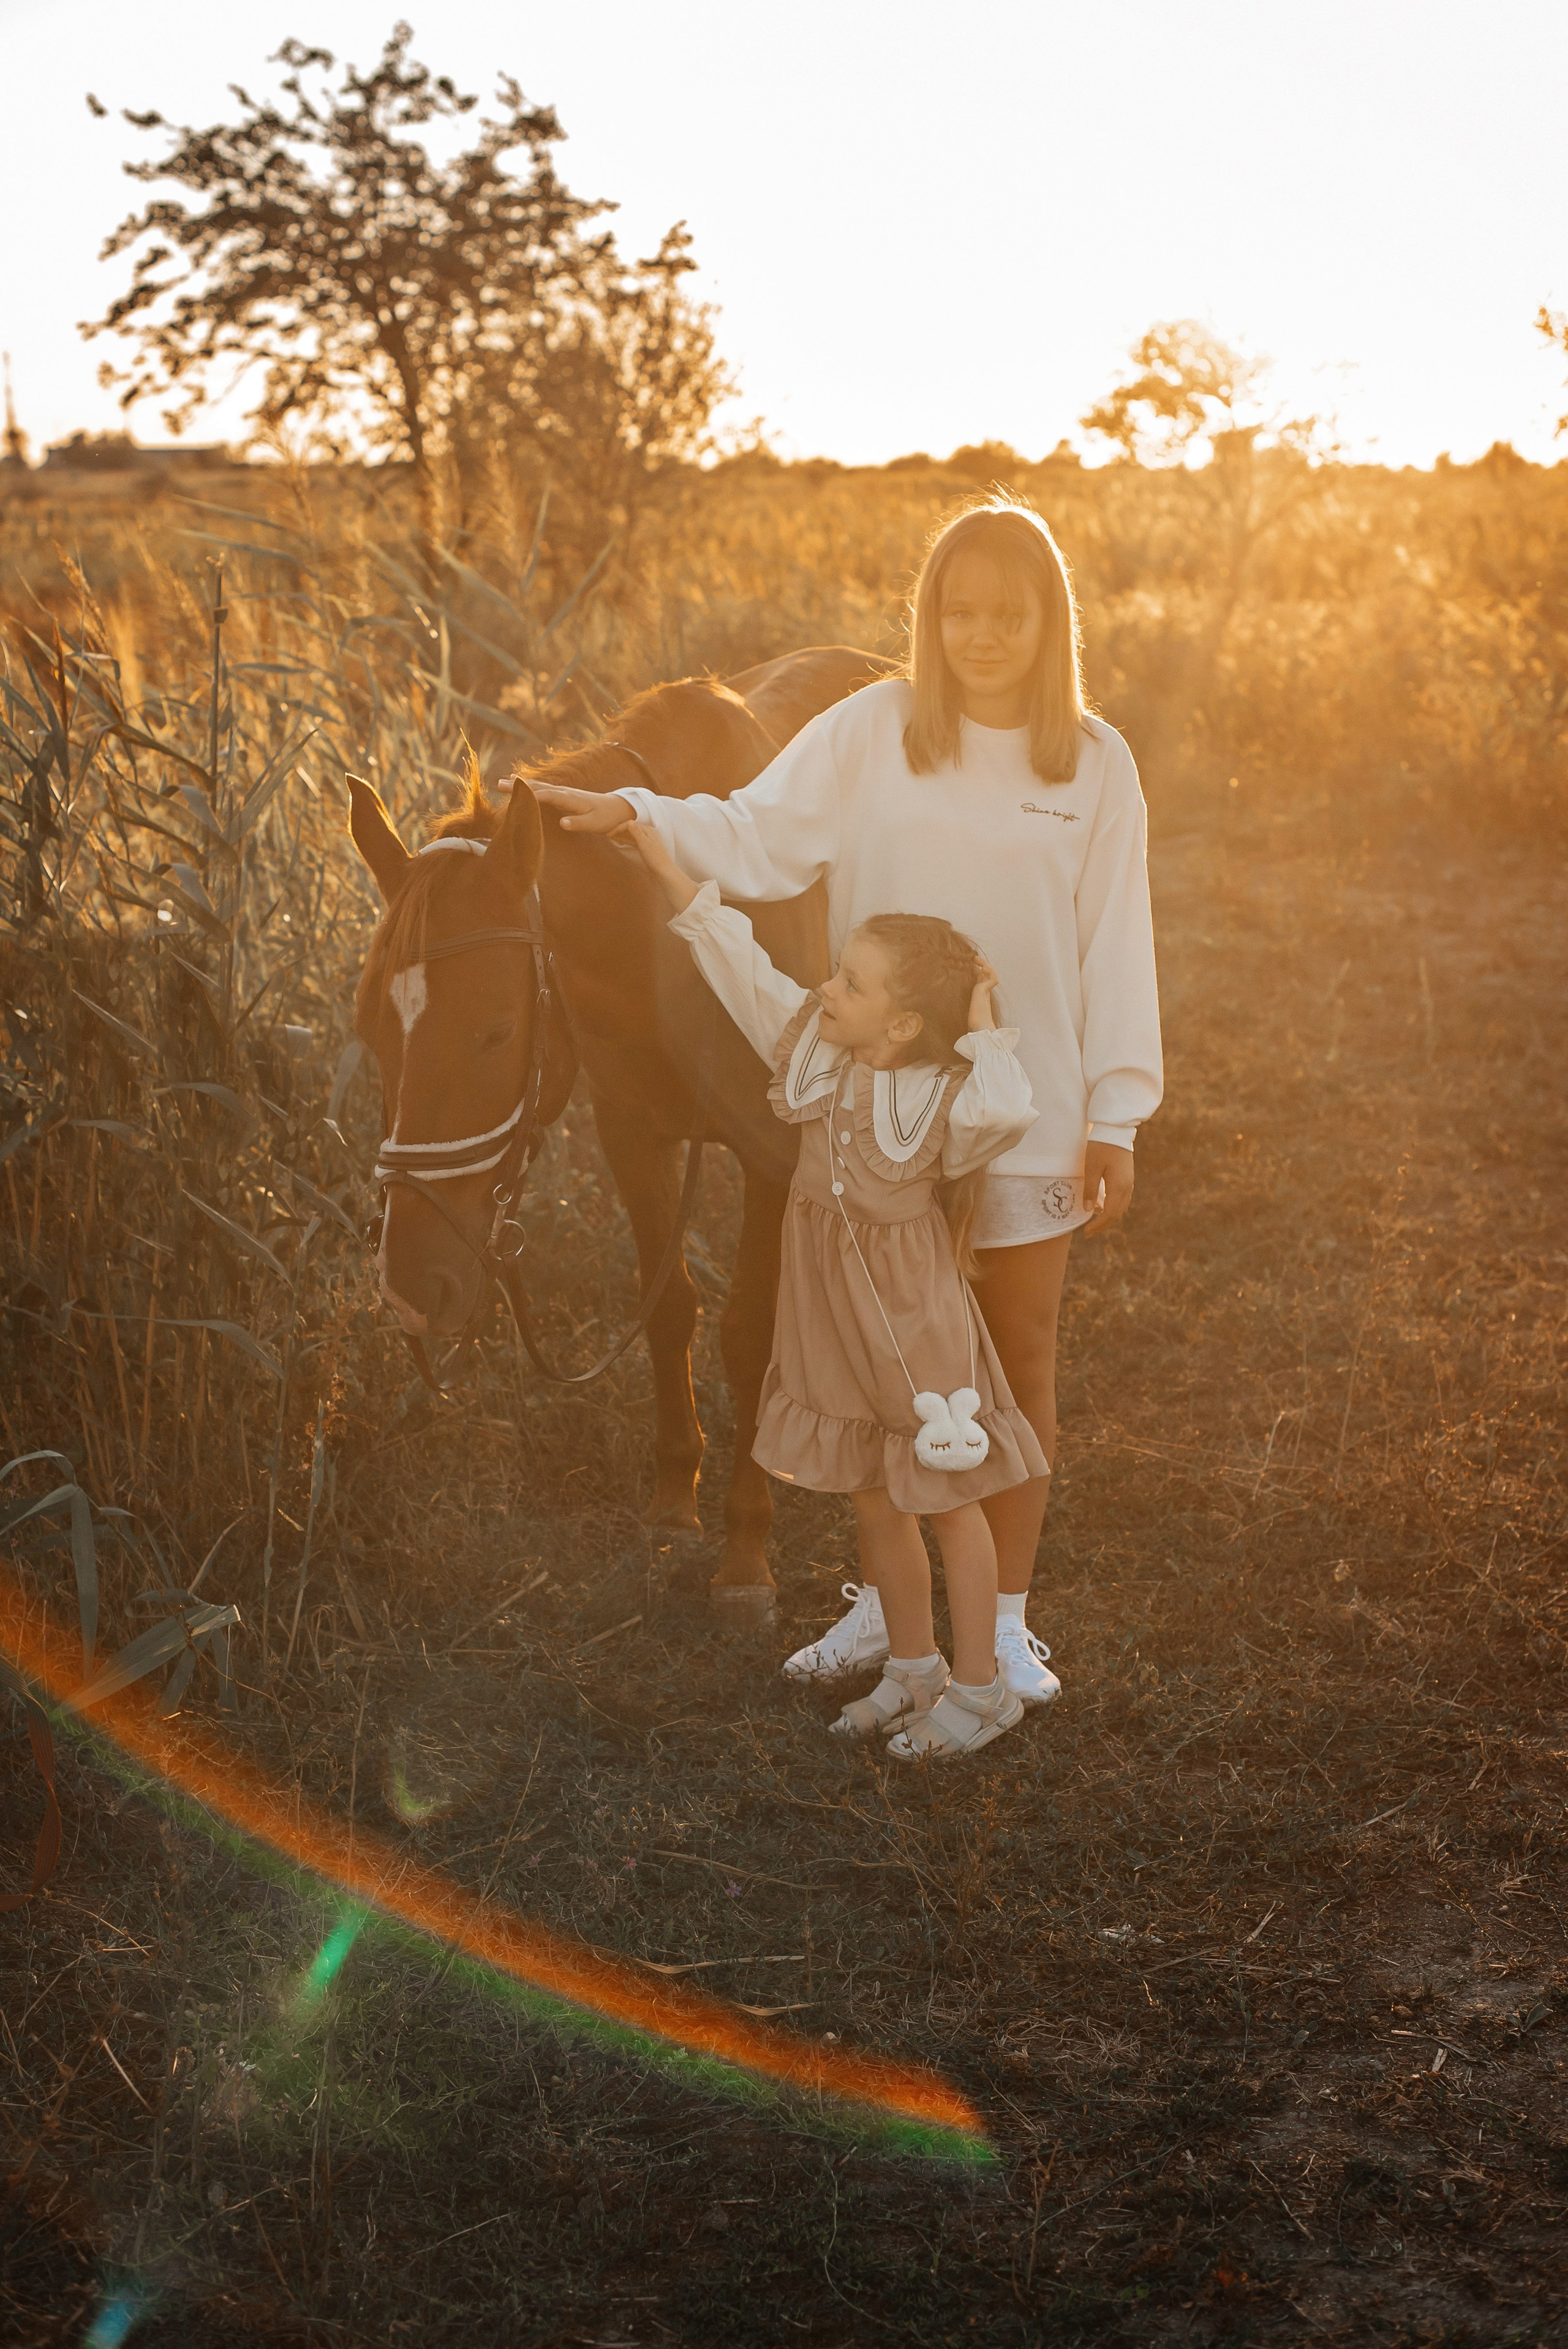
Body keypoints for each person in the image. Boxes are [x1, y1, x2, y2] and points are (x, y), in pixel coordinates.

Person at [532, 497, 1162, 1711]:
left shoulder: (1092, 761)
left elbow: (1112, 940)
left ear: (1049, 622)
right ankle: (886, 1610)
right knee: (890, 1364)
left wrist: (1115, 1112)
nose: (981, 634)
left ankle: (1010, 1621)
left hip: (1028, 1103)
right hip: (884, 1118)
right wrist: (641, 816)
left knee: (1015, 1357)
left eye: (1007, 612)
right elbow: (757, 837)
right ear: (929, 620)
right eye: (957, 610)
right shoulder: (874, 730)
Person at [616, 812, 1045, 1757]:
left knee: (944, 1492)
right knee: (870, 1489)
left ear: (900, 1023)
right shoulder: (816, 1048)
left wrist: (983, 1036)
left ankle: (981, 1692)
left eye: (849, 982)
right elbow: (740, 969)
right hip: (831, 1310)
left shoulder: (940, 1099)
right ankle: (914, 1665)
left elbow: (1006, 1110)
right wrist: (662, 861)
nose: (825, 988)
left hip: (909, 1318)